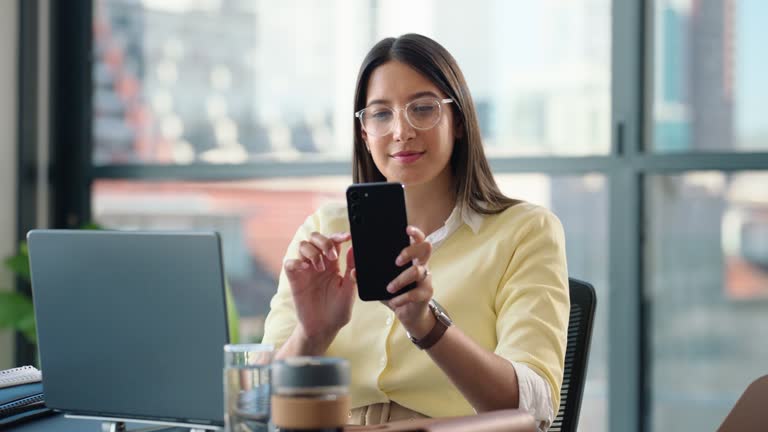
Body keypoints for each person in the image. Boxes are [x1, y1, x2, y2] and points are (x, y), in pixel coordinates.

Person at [262, 33, 569, 431]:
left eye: (422, 109)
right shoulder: (325, 231)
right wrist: (313, 333)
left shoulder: (525, 231)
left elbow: (532, 407)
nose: (401, 131)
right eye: (381, 113)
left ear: (458, 121)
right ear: (364, 134)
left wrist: (427, 324)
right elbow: (259, 402)